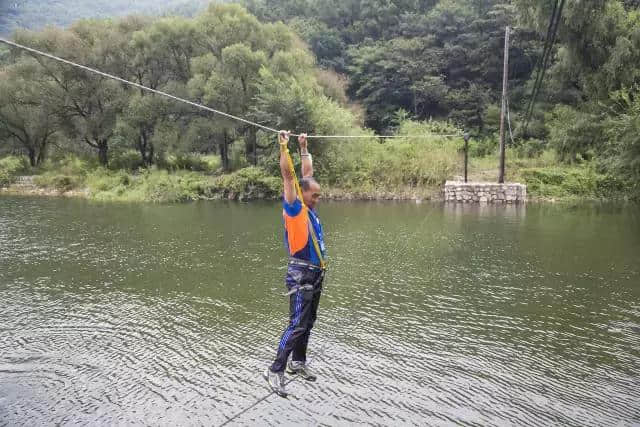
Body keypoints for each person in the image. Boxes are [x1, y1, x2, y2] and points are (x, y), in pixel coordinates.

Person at [263, 130, 326, 397]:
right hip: (300, 274)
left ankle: (297, 362)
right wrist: (284, 147)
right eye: (314, 195)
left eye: (318, 195)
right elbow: (290, 177)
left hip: (317, 274)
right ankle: (275, 370)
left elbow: (306, 174)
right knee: (296, 323)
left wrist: (304, 147)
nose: (317, 199)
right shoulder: (294, 208)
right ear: (302, 194)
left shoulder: (310, 209)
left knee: (308, 322)